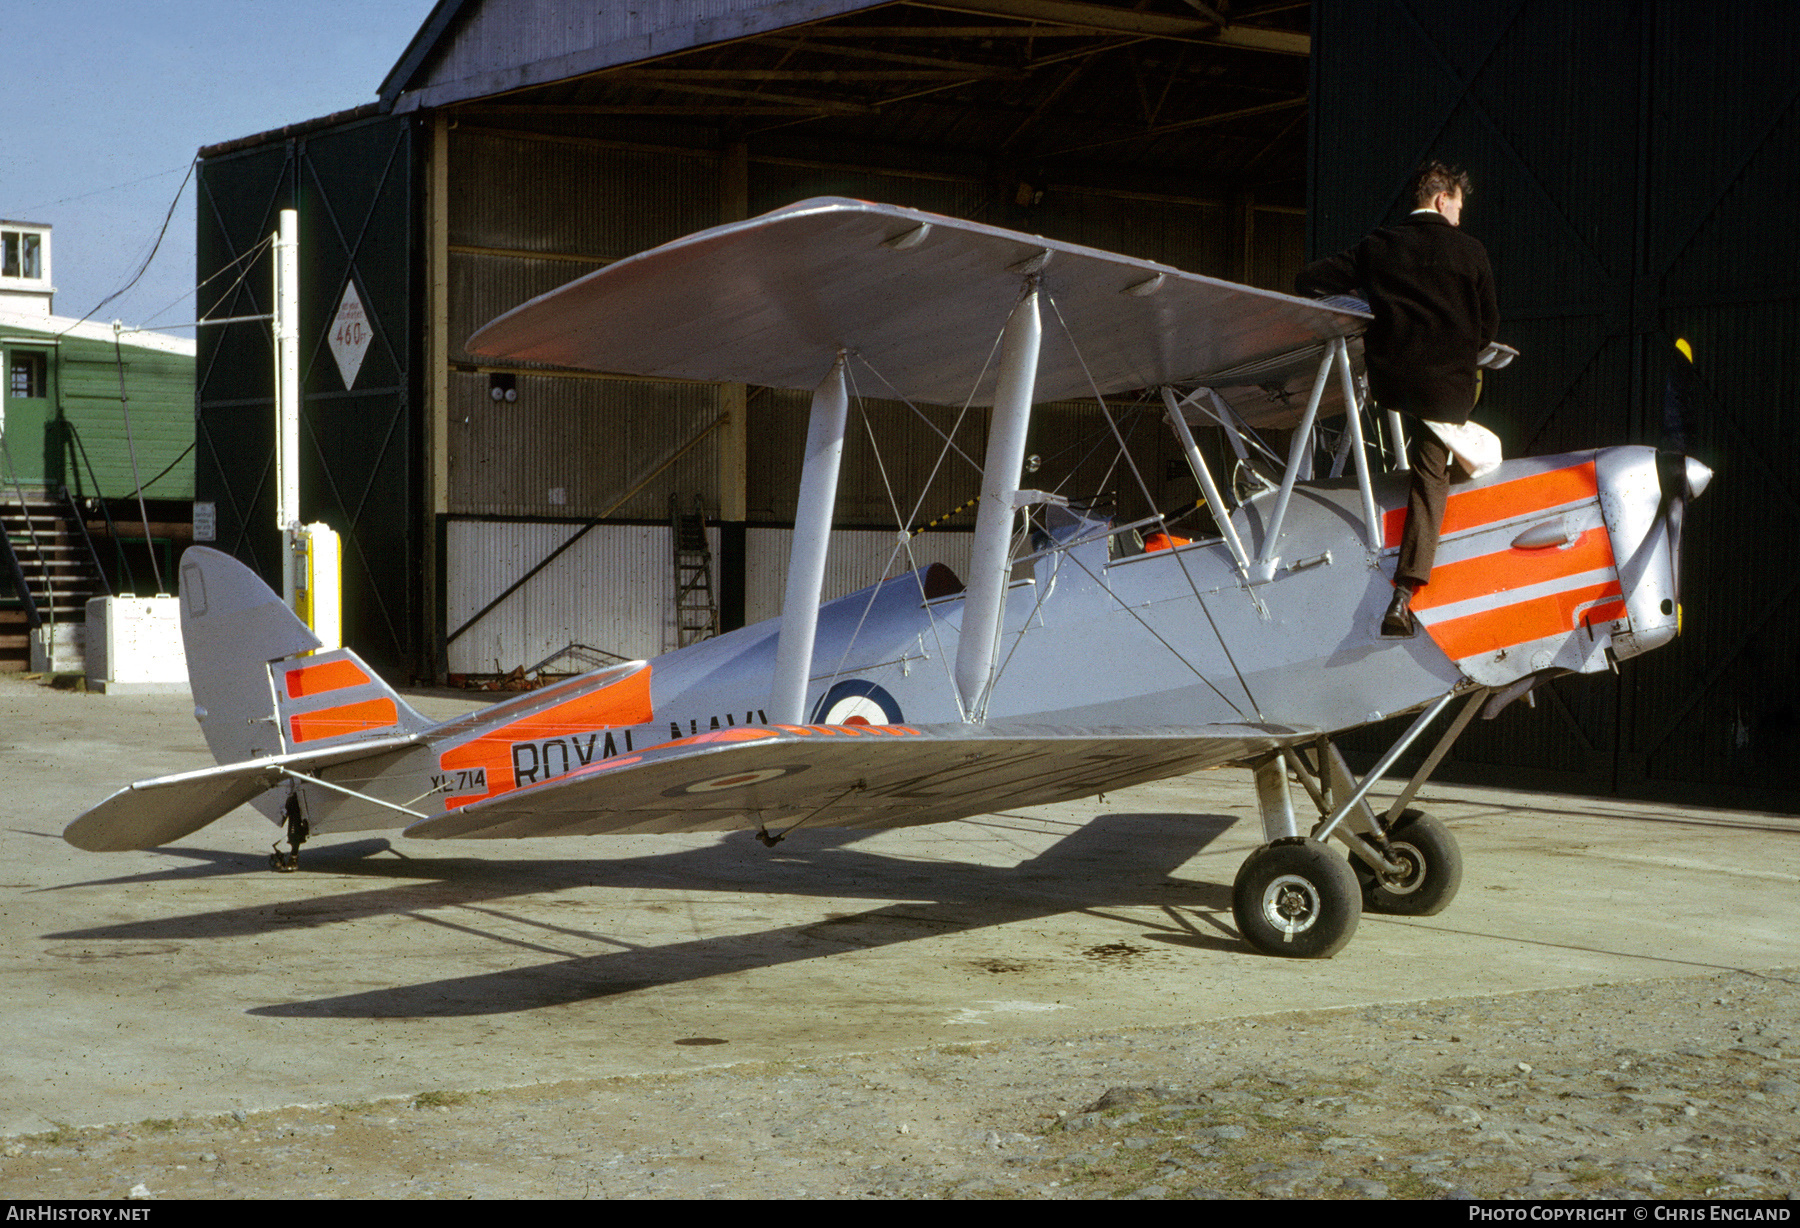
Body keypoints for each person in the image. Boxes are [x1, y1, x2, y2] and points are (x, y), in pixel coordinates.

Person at [1295, 162, 1500, 637]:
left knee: (1376, 443)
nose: (1459, 218)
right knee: (1432, 477)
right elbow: (1488, 328)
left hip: (1391, 383)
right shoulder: (1471, 252)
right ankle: (1404, 592)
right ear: (1442, 199)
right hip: (1445, 392)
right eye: (1459, 208)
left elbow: (1310, 281)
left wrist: (1371, 308)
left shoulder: (1378, 246)